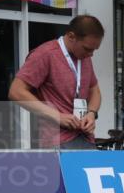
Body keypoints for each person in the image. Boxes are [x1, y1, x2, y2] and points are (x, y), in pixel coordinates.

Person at [9, 14, 104, 149]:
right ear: (71, 37)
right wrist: (57, 116)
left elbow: (95, 91)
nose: (91, 54)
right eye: (87, 49)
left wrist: (91, 113)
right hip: (57, 141)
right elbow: (16, 91)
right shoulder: (45, 54)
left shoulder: (84, 57)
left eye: (94, 50)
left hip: (86, 137)